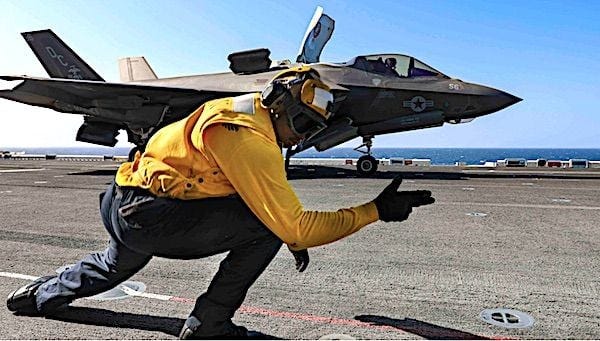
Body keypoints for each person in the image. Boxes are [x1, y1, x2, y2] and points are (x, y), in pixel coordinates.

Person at [7, 66, 435, 339]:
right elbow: (294, 225)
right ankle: (208, 325)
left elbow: (237, 186)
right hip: (151, 216)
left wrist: (292, 231)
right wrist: (374, 210)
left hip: (124, 200)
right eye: (302, 124)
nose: (302, 137)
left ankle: (36, 298)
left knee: (113, 266)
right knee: (268, 227)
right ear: (280, 106)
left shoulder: (230, 110)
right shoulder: (250, 139)